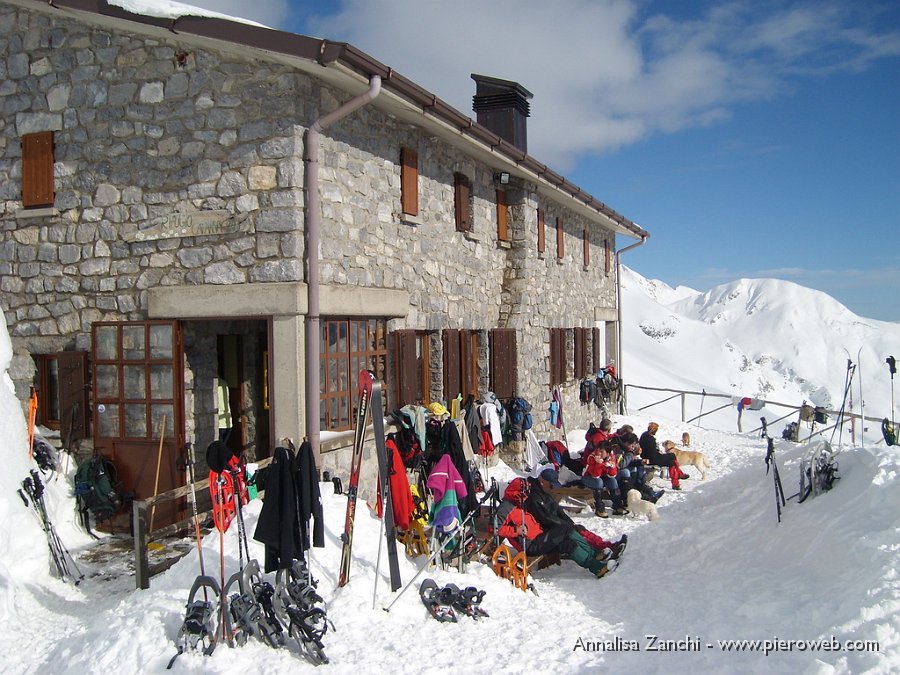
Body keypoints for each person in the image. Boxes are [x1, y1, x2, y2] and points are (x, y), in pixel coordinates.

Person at [497, 478, 619, 578]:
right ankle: (595, 555)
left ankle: (597, 567)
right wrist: (515, 531)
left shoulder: (518, 504)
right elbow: (494, 528)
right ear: (516, 492)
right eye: (523, 494)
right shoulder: (505, 507)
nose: (525, 497)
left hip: (540, 536)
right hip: (531, 545)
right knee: (565, 528)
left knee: (568, 544)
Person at [581, 440, 627, 517]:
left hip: (602, 477)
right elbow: (595, 475)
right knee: (599, 482)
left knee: (613, 481)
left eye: (602, 452)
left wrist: (611, 467)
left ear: (608, 453)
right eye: (598, 451)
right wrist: (599, 464)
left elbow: (613, 475)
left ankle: (617, 506)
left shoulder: (611, 456)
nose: (599, 453)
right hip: (588, 477)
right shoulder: (592, 457)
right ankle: (599, 508)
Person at [639, 422, 689, 490]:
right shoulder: (650, 439)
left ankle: (676, 483)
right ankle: (679, 476)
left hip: (646, 456)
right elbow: (652, 453)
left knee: (671, 462)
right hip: (651, 459)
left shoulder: (644, 435)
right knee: (672, 456)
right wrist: (659, 454)